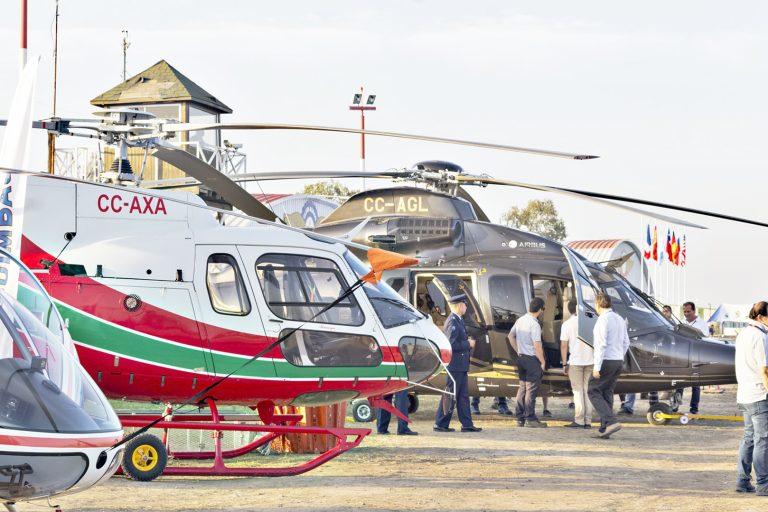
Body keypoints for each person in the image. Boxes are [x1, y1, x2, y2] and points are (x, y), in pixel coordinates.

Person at [434, 294, 482, 433]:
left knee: (462, 396)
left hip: (460, 365)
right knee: (450, 394)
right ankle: (440, 423)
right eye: (465, 305)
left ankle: (467, 424)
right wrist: (468, 344)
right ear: (460, 305)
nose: (466, 307)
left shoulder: (458, 320)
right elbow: (450, 345)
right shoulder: (452, 321)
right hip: (455, 365)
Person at [734, 301, 768, 495]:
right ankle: (764, 484)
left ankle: (742, 480)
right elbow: (764, 370)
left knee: (749, 438)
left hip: (744, 394)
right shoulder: (760, 336)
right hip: (759, 395)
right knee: (763, 440)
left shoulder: (744, 333)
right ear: (761, 317)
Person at [588, 293, 630, 439]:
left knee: (592, 390)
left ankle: (611, 421)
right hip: (618, 360)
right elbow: (626, 342)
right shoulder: (619, 319)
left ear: (598, 304)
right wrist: (619, 356)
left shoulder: (602, 320)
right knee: (607, 392)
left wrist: (596, 367)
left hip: (606, 359)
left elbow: (600, 345)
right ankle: (604, 428)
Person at [508, 297, 547, 428]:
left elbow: (510, 336)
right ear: (540, 309)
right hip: (532, 360)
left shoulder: (520, 320)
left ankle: (520, 418)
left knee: (522, 388)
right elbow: (537, 346)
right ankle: (530, 418)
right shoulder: (534, 324)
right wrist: (542, 361)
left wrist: (518, 350)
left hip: (521, 358)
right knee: (531, 390)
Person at [560, 299, 593, 429]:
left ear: (569, 310)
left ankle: (579, 420)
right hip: (591, 360)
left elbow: (564, 345)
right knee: (587, 390)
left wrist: (564, 363)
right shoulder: (590, 322)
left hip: (575, 361)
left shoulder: (567, 324)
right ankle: (588, 421)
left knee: (578, 391)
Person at [679, 301, 709, 415]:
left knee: (695, 385)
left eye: (688, 311)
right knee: (679, 383)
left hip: (696, 356)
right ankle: (675, 406)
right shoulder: (681, 322)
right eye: (685, 311)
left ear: (694, 311)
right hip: (682, 356)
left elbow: (705, 338)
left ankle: (694, 409)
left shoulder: (702, 323)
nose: (686, 314)